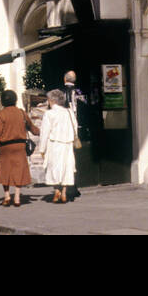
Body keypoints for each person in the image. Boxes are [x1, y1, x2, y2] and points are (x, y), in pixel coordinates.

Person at [0, 89, 38, 207]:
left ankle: (6, 196)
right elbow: (32, 127)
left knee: (5, 172)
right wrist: (42, 132)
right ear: (15, 100)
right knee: (18, 171)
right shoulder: (21, 113)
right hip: (20, 146)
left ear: (3, 101)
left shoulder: (1, 114)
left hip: (5, 147)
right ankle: (17, 197)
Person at [37, 89, 77, 203]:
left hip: (54, 145)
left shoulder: (49, 114)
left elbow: (44, 133)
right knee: (66, 168)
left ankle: (56, 191)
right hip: (67, 145)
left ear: (52, 100)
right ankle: (64, 192)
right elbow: (75, 128)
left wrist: (42, 149)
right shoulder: (69, 112)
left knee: (54, 168)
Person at [62, 71, 88, 200]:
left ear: (64, 79)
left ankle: (67, 187)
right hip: (79, 128)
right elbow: (86, 104)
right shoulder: (78, 92)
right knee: (76, 157)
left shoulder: (60, 93)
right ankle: (75, 185)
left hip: (64, 130)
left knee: (66, 158)